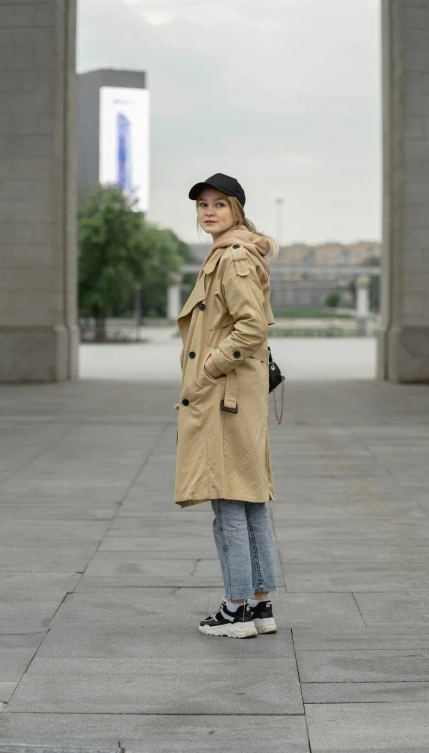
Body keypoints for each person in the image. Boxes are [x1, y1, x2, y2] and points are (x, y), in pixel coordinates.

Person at [174, 173, 279, 639]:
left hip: (225, 396)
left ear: (236, 209)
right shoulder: (233, 253)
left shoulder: (232, 258)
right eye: (202, 205)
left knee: (229, 502)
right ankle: (260, 604)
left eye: (219, 204)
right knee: (249, 497)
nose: (208, 211)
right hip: (237, 395)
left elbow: (251, 326)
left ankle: (236, 608)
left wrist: (212, 366)